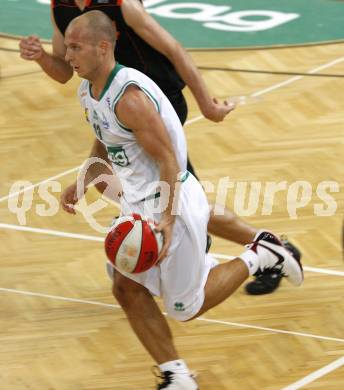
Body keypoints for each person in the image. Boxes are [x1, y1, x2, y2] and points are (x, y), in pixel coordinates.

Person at [60, 12, 303, 389]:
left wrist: (170, 219)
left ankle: (262, 253)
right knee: (125, 288)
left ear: (102, 46)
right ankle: (177, 376)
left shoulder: (131, 99)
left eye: (75, 47)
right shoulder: (89, 90)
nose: (67, 54)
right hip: (139, 204)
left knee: (185, 308)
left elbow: (170, 159)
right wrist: (84, 178)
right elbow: (104, 139)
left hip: (169, 199)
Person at [19, 0, 294, 294]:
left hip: (153, 102)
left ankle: (268, 249)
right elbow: (64, 71)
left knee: (183, 200)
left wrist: (207, 105)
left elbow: (173, 49)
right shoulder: (59, 8)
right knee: (107, 180)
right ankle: (154, 227)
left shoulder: (122, 6)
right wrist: (41, 57)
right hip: (113, 105)